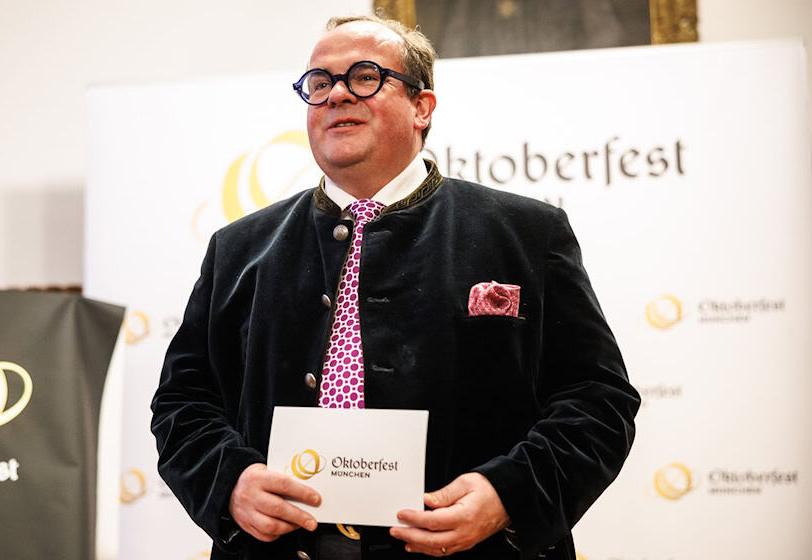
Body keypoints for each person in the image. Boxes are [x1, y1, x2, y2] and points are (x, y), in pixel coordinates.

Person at [151, 14, 639, 560]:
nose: (335, 94)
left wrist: (509, 494)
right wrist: (230, 482)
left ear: (421, 107)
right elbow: (182, 402)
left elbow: (598, 400)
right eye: (318, 82)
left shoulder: (524, 233)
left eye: (363, 76)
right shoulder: (238, 248)